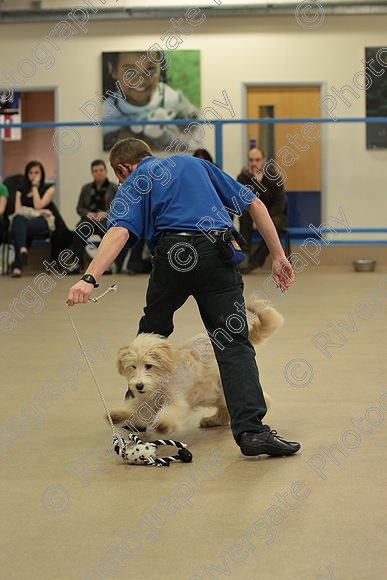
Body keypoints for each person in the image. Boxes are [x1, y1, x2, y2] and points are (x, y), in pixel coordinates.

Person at [67, 138, 300, 459]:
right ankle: (252, 432)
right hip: (216, 252)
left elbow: (118, 232)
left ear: (124, 168)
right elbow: (255, 205)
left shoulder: (135, 180)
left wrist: (88, 278)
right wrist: (277, 255)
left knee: (153, 331)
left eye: (120, 177)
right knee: (233, 342)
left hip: (172, 255)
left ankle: (137, 416)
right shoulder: (196, 164)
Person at [102, 51, 201, 151]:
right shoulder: (107, 111)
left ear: (160, 68)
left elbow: (196, 137)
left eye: (150, 69)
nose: (141, 80)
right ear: (113, 70)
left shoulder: (172, 99)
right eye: (130, 71)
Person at [11, 161, 69, 278]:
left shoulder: (49, 188)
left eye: (36, 172)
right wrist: (41, 212)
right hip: (24, 221)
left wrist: (35, 187)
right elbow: (18, 210)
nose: (33, 175)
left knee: (19, 226)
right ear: (26, 174)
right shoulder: (20, 190)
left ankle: (18, 266)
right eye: (30, 173)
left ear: (42, 173)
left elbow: (38, 205)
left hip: (43, 222)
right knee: (18, 220)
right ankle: (23, 250)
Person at [237, 147, 287, 274]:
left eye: (257, 160)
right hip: (250, 214)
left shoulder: (274, 177)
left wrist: (262, 219)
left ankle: (255, 261)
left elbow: (279, 205)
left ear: (263, 161)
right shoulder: (242, 178)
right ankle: (245, 253)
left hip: (272, 215)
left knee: (276, 224)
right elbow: (241, 201)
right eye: (251, 160)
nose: (254, 163)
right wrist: (256, 183)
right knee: (244, 214)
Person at [66, 159, 117, 275]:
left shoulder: (114, 188)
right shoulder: (86, 188)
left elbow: (118, 206)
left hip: (105, 219)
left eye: (101, 170)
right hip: (89, 219)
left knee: (107, 234)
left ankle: (107, 264)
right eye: (95, 171)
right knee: (79, 231)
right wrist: (87, 213)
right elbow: (79, 208)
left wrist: (106, 213)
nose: (99, 173)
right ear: (92, 173)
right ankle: (77, 263)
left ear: (106, 171)